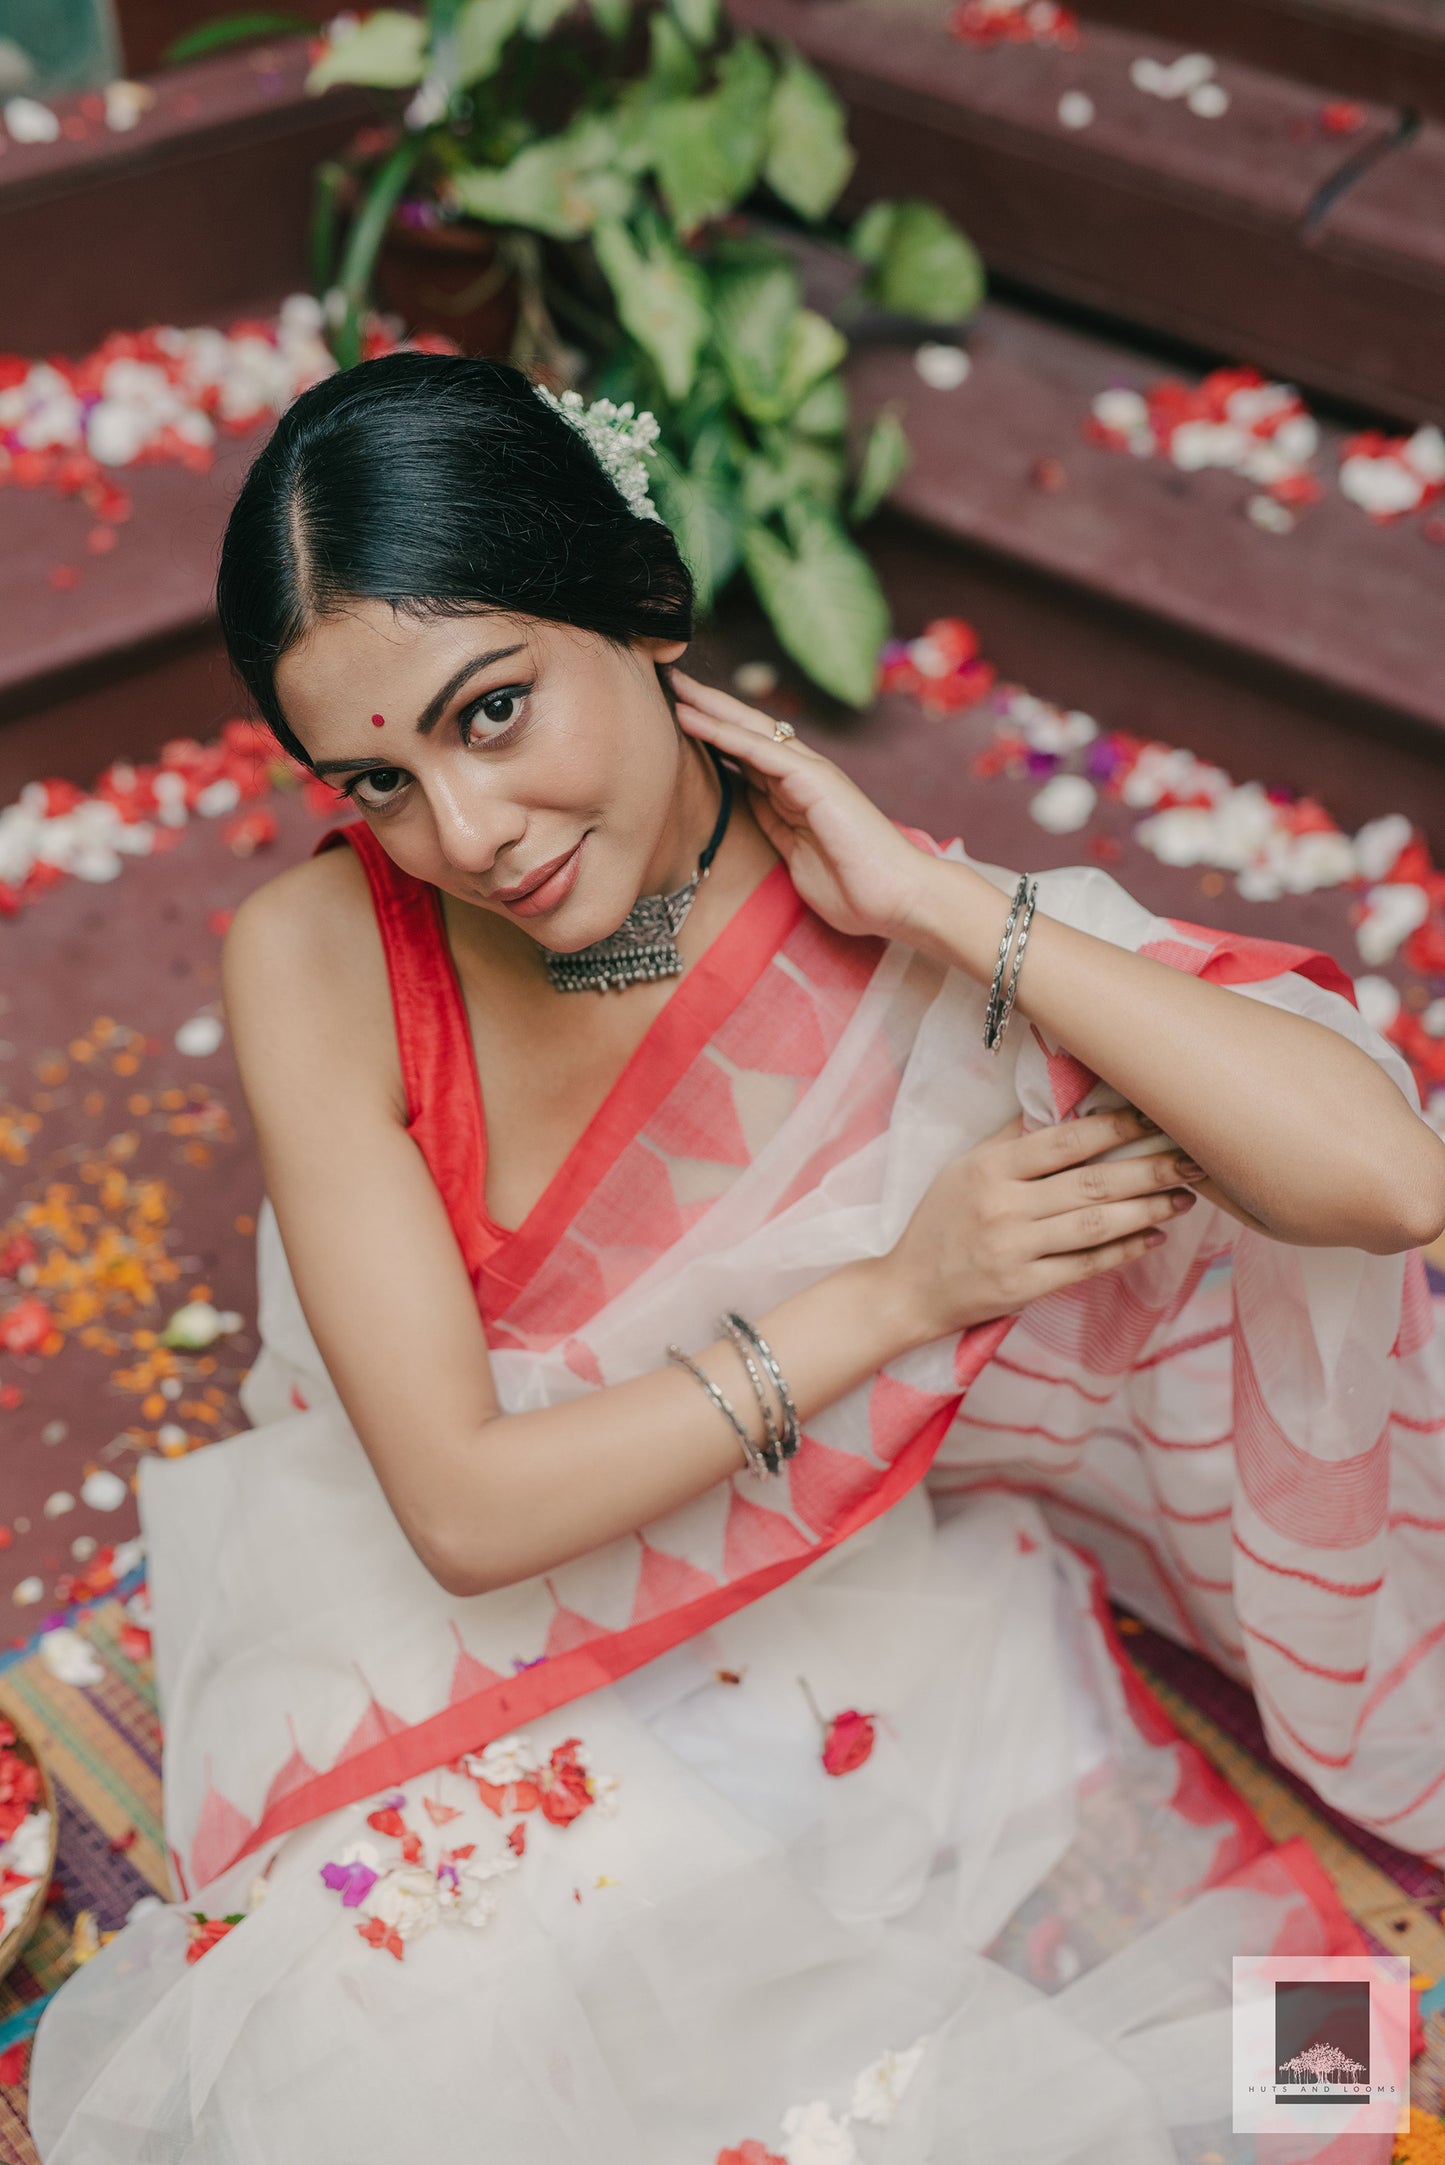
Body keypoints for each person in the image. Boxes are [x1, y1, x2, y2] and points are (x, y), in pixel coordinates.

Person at [27, 354, 1445, 2165]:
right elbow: (459, 1509)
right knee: (401, 2047)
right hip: (430, 1616)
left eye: (490, 711)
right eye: (374, 778)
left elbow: (1382, 1182)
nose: (463, 837)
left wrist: (936, 900)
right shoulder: (318, 951)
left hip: (830, 1602)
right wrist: (900, 1292)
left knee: (1097, 2031)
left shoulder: (870, 932)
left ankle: (1342, 2083)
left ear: (634, 600)